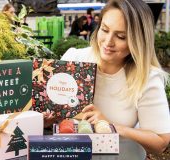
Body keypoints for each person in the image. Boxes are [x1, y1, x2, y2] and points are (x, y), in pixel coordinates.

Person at [61, 0, 170, 154]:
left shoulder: (146, 77)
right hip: (68, 153)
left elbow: (160, 142)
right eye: (104, 30)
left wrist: (110, 125)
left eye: (121, 36)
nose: (108, 41)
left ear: (138, 41)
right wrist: (46, 119)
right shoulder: (73, 58)